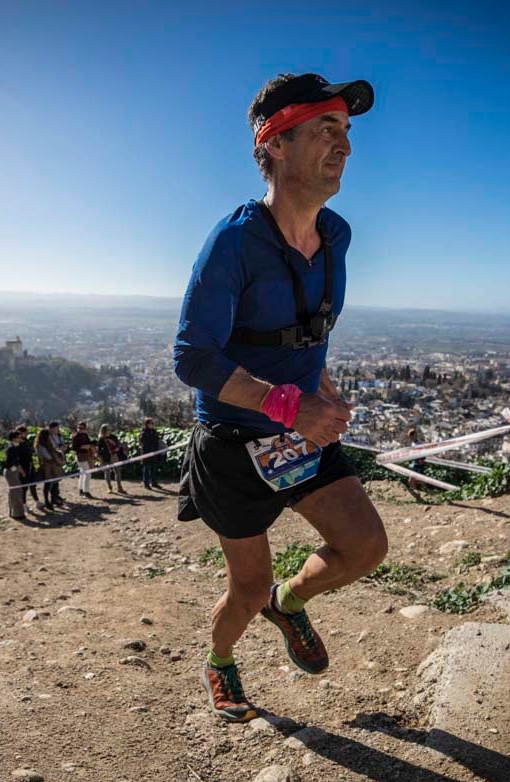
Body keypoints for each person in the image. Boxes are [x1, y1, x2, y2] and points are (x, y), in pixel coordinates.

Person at [173, 73, 388, 723]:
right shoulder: (235, 242)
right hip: (236, 446)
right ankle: (220, 664)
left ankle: (289, 604)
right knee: (244, 588)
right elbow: (193, 357)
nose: (344, 145)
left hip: (299, 435)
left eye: (347, 132)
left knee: (364, 547)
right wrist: (293, 405)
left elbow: (308, 326)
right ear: (276, 145)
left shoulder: (338, 237)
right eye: (326, 129)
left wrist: (318, 382)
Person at [1, 428, 27, 520]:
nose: (21, 439)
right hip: (11, 472)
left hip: (11, 471)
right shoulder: (12, 448)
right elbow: (15, 463)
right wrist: (22, 471)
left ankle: (13, 512)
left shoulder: (12, 447)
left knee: (13, 492)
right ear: (14, 438)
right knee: (17, 492)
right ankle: (18, 514)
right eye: (19, 437)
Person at [16, 425, 41, 512]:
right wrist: (21, 470)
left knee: (33, 484)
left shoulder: (25, 442)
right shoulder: (17, 444)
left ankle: (37, 501)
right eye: (25, 432)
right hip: (23, 467)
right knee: (24, 487)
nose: (26, 434)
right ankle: (24, 505)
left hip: (30, 465)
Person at [97, 423, 127, 494]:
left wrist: (117, 448)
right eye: (108, 429)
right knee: (107, 473)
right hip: (105, 458)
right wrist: (101, 459)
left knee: (117, 472)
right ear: (104, 431)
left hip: (114, 456)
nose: (109, 430)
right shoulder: (101, 439)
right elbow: (99, 451)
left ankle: (119, 487)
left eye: (110, 429)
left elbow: (118, 445)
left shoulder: (113, 437)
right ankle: (109, 487)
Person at [36, 427, 61, 510]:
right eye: (49, 435)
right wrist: (55, 455)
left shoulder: (49, 444)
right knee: (47, 484)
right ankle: (47, 501)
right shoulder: (40, 446)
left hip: (53, 466)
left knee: (55, 483)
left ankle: (54, 499)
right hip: (47, 467)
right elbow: (48, 456)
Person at [70, 420, 96, 498]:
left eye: (82, 428)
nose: (81, 429)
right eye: (79, 428)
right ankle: (86, 491)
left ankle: (81, 489)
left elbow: (89, 442)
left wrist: (91, 444)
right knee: (87, 473)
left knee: (82, 473)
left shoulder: (85, 435)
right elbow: (73, 447)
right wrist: (82, 447)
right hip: (80, 456)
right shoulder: (75, 436)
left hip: (86, 455)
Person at [46, 421, 67, 506]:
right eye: (56, 428)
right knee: (54, 479)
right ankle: (53, 498)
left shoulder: (59, 436)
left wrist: (63, 447)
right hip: (54, 459)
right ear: (51, 428)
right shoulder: (49, 437)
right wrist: (58, 448)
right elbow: (52, 448)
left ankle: (57, 496)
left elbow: (62, 445)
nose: (58, 429)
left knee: (58, 478)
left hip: (60, 457)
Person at [139, 417, 163, 489]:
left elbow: (157, 440)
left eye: (153, 423)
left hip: (154, 453)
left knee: (154, 468)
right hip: (146, 453)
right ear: (147, 424)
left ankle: (154, 482)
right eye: (151, 423)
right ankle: (146, 484)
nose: (153, 424)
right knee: (146, 469)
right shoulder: (143, 433)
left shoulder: (154, 431)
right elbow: (141, 443)